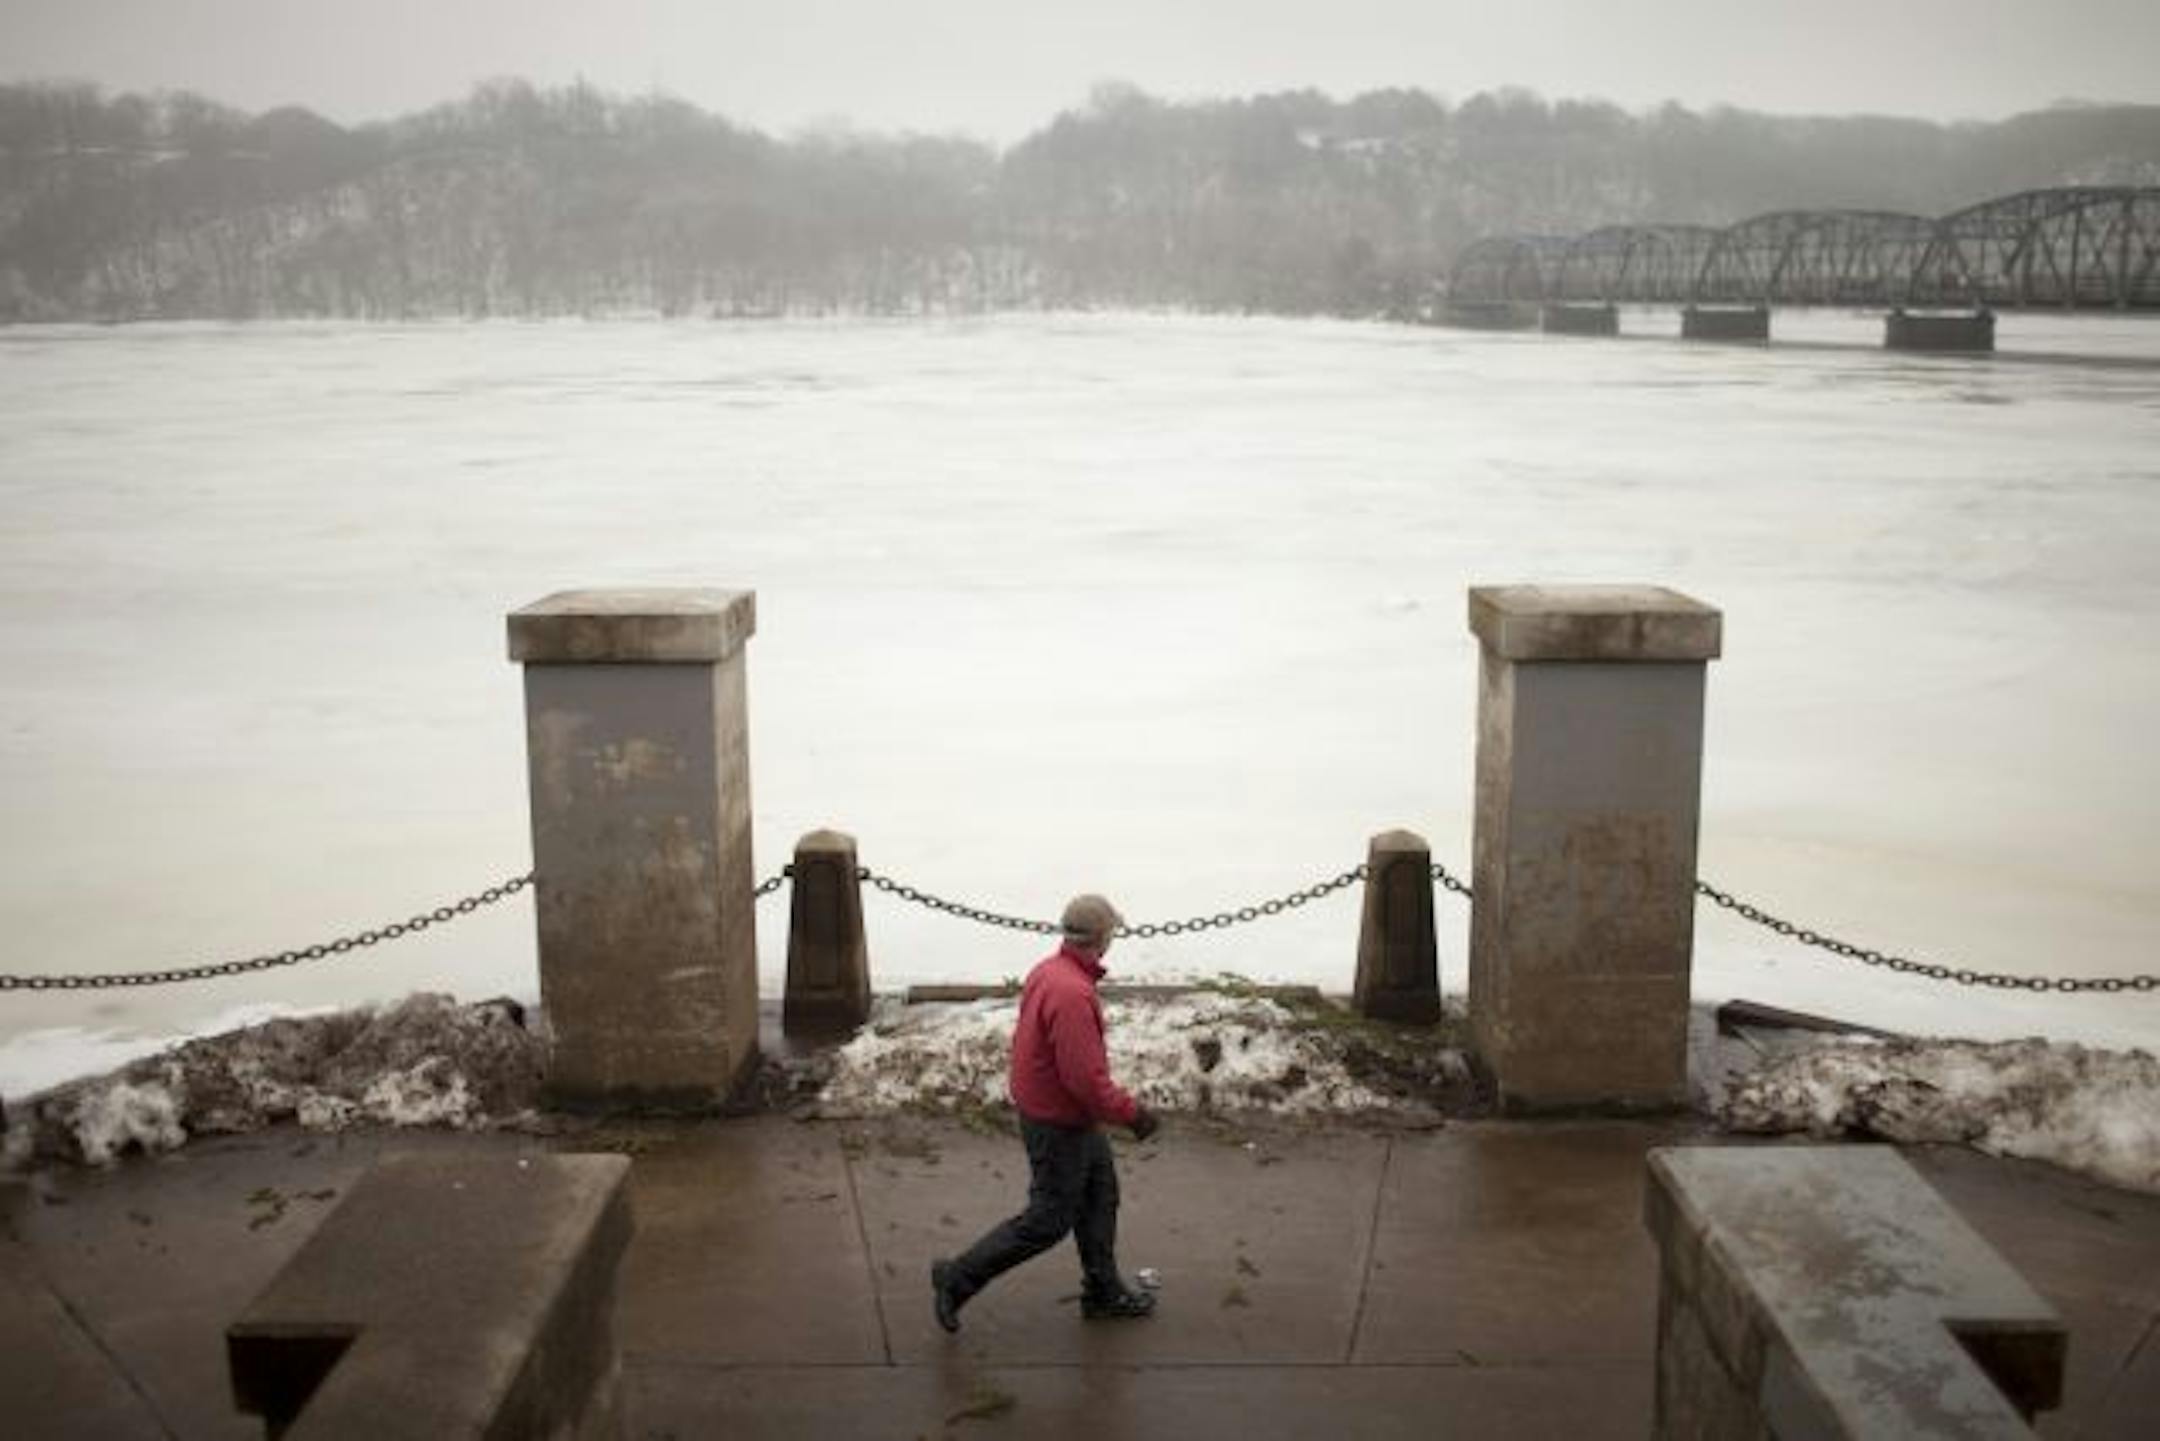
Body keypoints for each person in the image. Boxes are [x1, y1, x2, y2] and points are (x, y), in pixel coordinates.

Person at [930, 892, 1161, 1332]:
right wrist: (1133, 1115)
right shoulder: (1073, 993)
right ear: (1103, 938)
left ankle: (1103, 1291)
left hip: (1057, 1113)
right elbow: (1086, 1081)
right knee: (1047, 1221)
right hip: (1059, 1122)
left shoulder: (1049, 971)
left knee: (1099, 1196)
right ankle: (956, 1278)